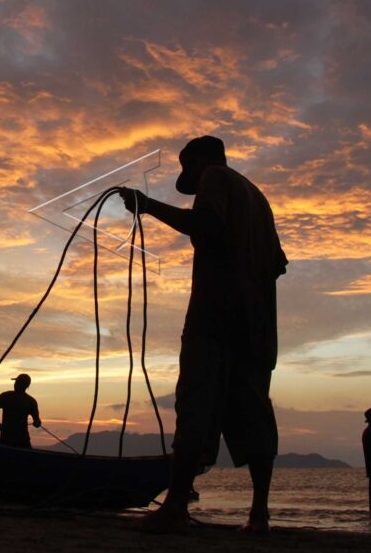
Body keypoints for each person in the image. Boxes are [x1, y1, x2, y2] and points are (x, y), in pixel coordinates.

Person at [121, 135, 288, 534]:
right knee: (254, 410)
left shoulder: (215, 177)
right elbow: (278, 264)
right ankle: (259, 514)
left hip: (214, 316)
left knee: (196, 401)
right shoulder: (258, 198)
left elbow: (208, 226)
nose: (190, 176)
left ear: (201, 161)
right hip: (257, 324)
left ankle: (176, 505)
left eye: (188, 167)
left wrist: (148, 207)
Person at [0, 374, 41, 449]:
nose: (15, 384)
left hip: (7, 439)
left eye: (17, 382)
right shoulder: (30, 401)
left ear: (24, 385)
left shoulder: (6, 396)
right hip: (22, 440)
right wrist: (37, 423)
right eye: (16, 382)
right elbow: (37, 422)